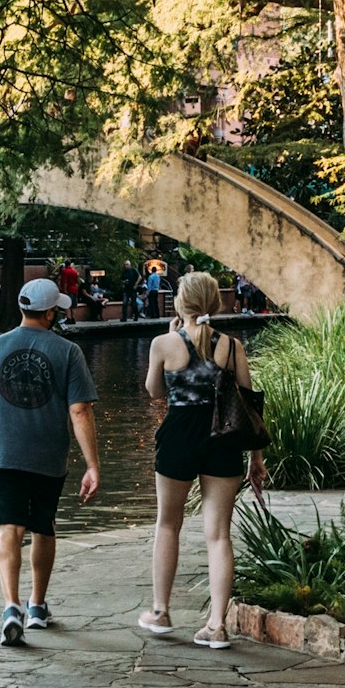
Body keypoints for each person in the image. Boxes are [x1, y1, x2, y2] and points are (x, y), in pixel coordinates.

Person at [0, 277, 100, 648]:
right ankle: (36, 606)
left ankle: (10, 607)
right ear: (51, 312)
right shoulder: (67, 351)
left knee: (9, 529)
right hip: (48, 457)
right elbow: (80, 410)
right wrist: (92, 465)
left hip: (4, 456)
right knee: (44, 526)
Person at [137, 272, 260, 646]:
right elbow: (250, 405)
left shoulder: (163, 343)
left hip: (179, 436)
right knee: (219, 535)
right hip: (223, 438)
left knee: (167, 524)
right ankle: (216, 625)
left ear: (180, 302)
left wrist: (172, 337)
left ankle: (161, 611)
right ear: (212, 302)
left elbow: (155, 392)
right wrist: (257, 458)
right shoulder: (233, 346)